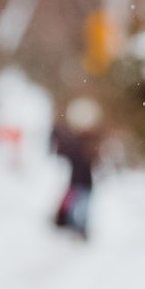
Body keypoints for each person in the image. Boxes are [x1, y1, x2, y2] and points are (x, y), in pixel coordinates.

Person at [49, 99, 100, 238]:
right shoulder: (75, 144)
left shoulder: (89, 144)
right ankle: (75, 229)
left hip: (84, 183)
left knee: (81, 208)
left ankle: (80, 230)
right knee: (75, 208)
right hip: (77, 183)